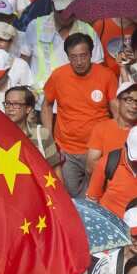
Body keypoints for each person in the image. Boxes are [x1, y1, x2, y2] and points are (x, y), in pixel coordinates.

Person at [41, 33, 118, 196]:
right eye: (73, 57)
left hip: (98, 150)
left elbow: (116, 111)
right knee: (71, 195)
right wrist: (48, 138)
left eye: (83, 56)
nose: (79, 62)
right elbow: (46, 104)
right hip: (67, 149)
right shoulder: (58, 76)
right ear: (67, 56)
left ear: (91, 53)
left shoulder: (107, 75)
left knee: (96, 195)